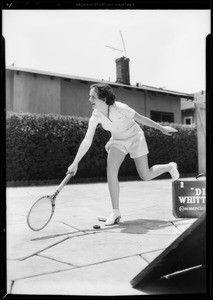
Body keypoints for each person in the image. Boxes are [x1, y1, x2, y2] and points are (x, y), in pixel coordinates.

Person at [67, 83, 180, 225]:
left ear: (104, 98)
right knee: (111, 171)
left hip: (135, 137)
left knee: (145, 175)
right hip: (117, 141)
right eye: (89, 96)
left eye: (93, 96)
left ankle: (170, 167)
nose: (89, 99)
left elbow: (142, 119)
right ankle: (115, 212)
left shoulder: (120, 108)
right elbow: (87, 140)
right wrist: (75, 163)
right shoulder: (95, 116)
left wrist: (161, 128)